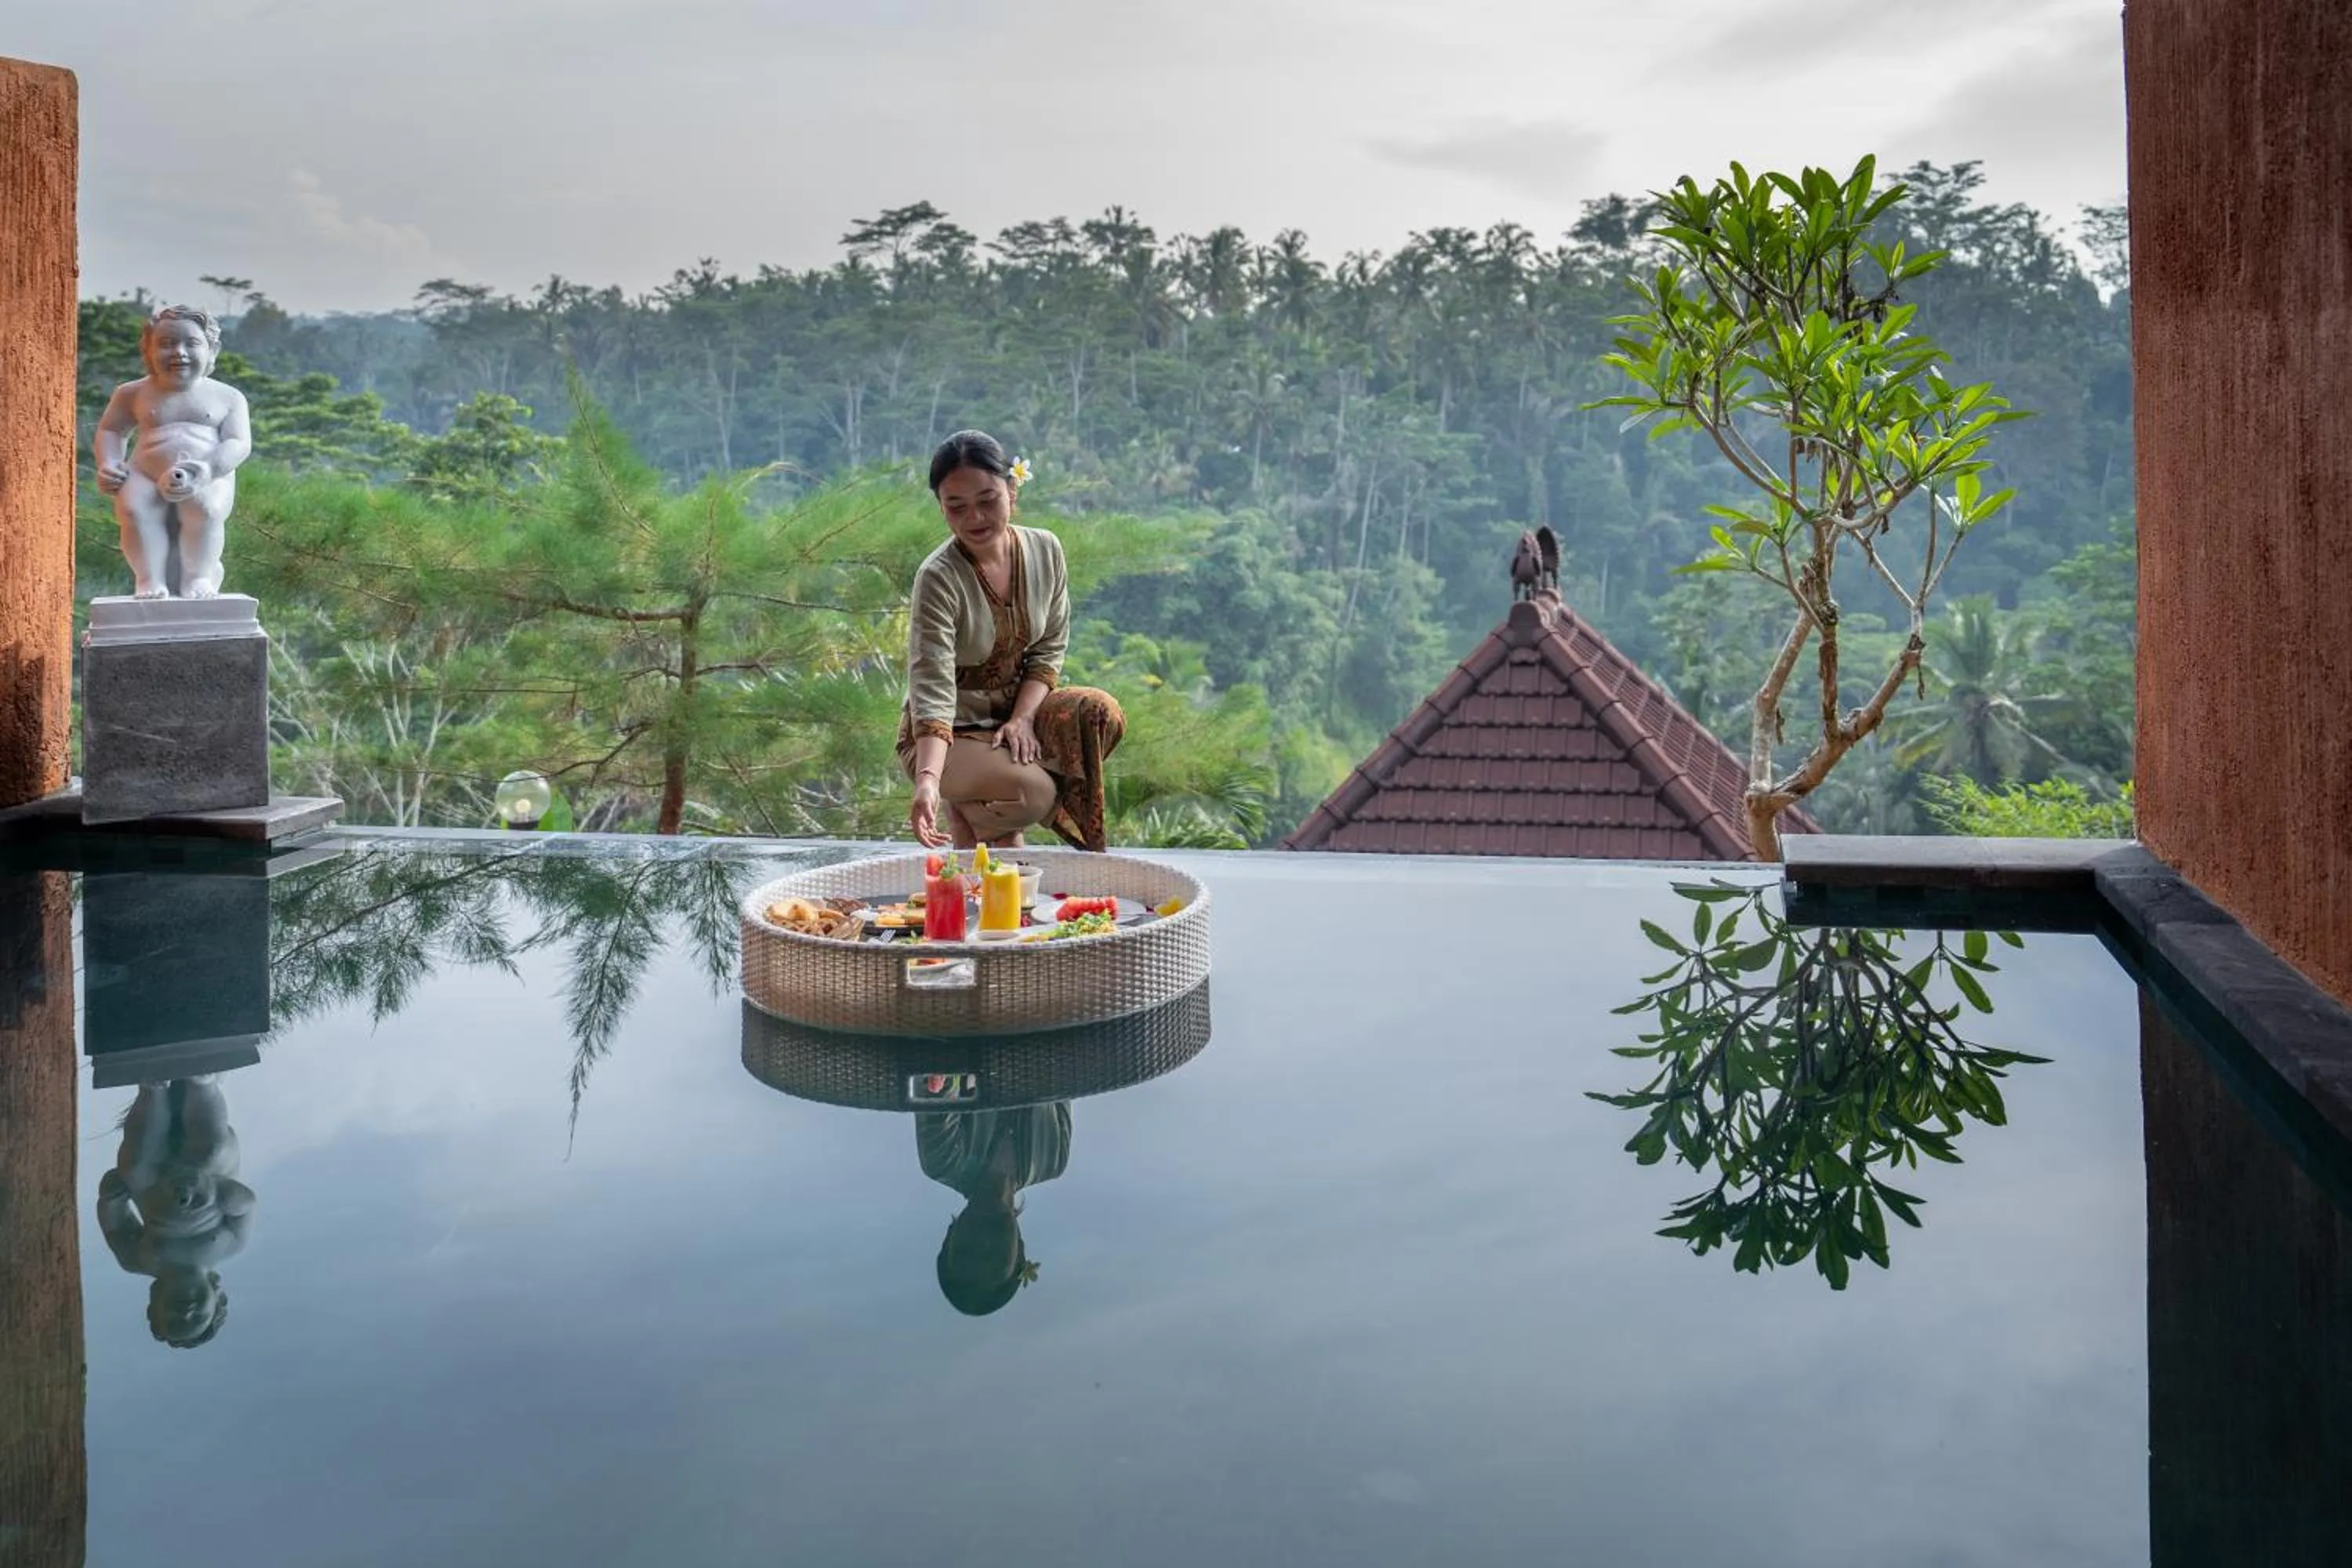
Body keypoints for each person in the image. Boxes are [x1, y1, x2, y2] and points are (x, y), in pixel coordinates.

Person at [898, 431, 1126, 851]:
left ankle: (983, 816)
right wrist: (928, 783)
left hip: (1013, 724)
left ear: (1012, 491)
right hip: (949, 736)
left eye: (988, 500)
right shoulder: (937, 577)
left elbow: (1049, 648)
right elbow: (931, 688)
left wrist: (1022, 719)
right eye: (957, 507)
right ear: (942, 508)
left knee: (1099, 713)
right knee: (1034, 794)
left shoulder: (1046, 549)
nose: (975, 518)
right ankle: (965, 804)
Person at [92, 304, 253, 600]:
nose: (179, 352)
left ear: (211, 350)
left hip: (206, 472)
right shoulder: (131, 393)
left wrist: (206, 471)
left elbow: (238, 443)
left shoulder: (228, 397)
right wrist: (110, 462)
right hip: (143, 471)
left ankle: (198, 577)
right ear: (149, 351)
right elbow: (111, 430)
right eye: (166, 344)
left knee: (204, 509)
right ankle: (149, 579)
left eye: (191, 344)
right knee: (134, 509)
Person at [917, 1102, 1071, 1316]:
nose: (984, 1241)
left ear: (949, 1238)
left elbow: (937, 1084)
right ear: (1020, 1254)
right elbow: (1072, 1079)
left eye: (967, 1251)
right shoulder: (1052, 1160)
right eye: (995, 1258)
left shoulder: (943, 1159)